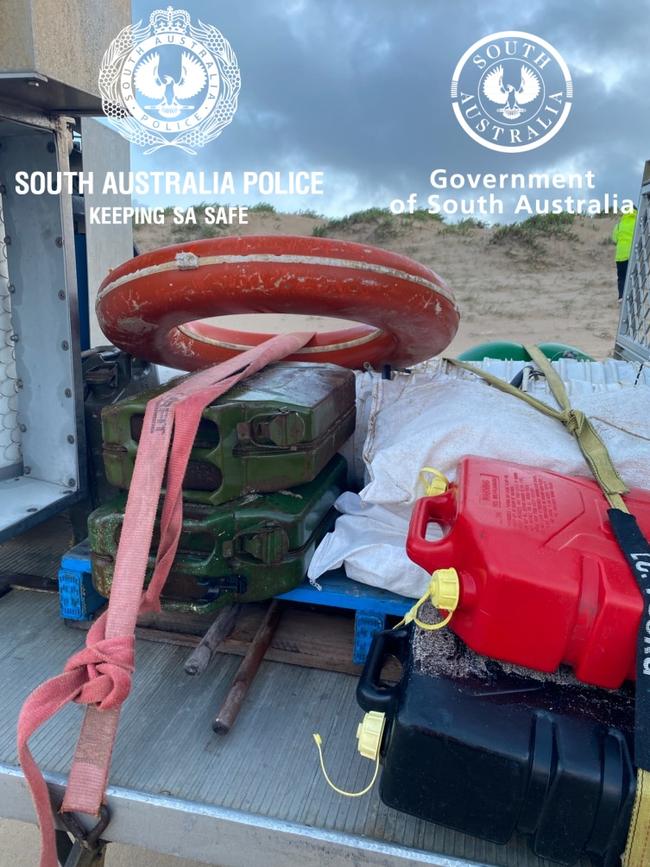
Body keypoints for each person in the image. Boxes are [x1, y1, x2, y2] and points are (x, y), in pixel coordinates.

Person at [611, 207, 638, 301]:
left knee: (621, 276)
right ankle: (633, 296)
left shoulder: (619, 225)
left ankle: (621, 296)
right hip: (633, 254)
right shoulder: (637, 223)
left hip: (620, 255)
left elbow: (614, 239)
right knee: (633, 276)